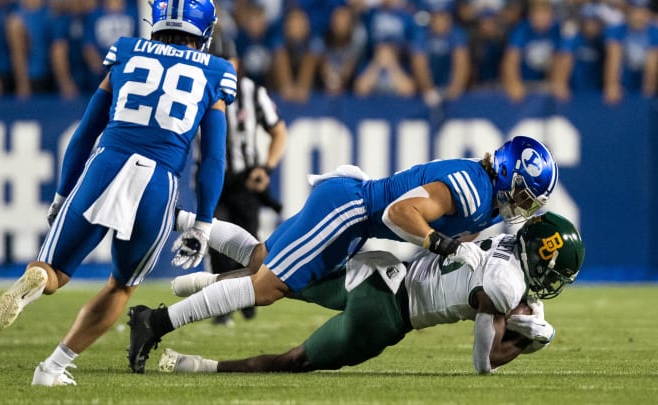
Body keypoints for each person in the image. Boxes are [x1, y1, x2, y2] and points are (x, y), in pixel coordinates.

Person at [127, 135, 559, 373]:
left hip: (352, 214)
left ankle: (177, 217)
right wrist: (442, 244)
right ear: (506, 172)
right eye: (523, 193)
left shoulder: (484, 198)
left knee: (260, 260)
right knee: (267, 288)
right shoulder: (472, 187)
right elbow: (398, 213)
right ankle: (155, 322)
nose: (521, 204)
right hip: (350, 213)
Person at [0, 0, 236, 387]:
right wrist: (203, 222)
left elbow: (85, 132)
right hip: (157, 180)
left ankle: (37, 278)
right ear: (203, 28)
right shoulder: (216, 71)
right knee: (121, 285)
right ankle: (52, 367)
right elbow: (215, 158)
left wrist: (61, 194)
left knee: (53, 270)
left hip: (106, 164)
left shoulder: (126, 50)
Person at [156, 211, 584, 374]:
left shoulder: (504, 241)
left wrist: (526, 317)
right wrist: (532, 342)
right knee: (295, 360)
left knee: (273, 272)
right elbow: (483, 362)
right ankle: (197, 367)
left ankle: (189, 235)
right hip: (384, 316)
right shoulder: (505, 285)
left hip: (379, 270)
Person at [206, 31, 288, 326]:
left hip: (244, 183)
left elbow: (279, 131)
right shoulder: (196, 89)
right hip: (211, 181)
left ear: (237, 63)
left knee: (249, 248)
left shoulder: (252, 92)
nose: (221, 67)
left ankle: (247, 295)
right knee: (216, 242)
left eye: (225, 61)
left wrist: (266, 168)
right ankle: (223, 306)